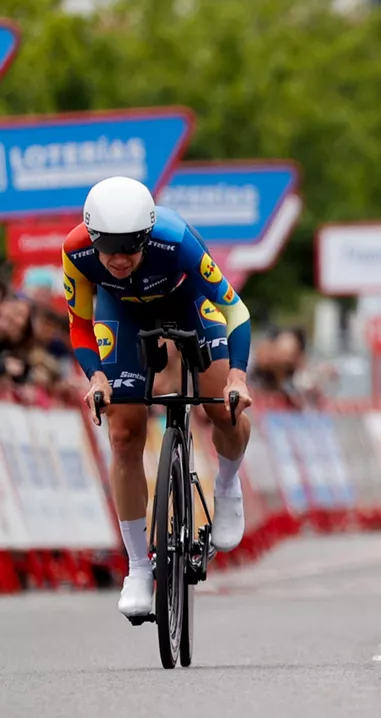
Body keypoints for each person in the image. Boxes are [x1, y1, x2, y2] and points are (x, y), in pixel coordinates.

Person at [62, 176, 254, 620]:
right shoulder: (76, 251)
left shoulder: (175, 240)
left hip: (187, 302)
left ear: (147, 235)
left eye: (131, 247)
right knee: (124, 432)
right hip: (122, 314)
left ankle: (227, 485)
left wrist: (238, 380)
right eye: (108, 248)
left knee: (220, 407)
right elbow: (78, 324)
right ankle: (137, 568)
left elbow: (235, 309)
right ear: (92, 237)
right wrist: (95, 379)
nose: (119, 259)